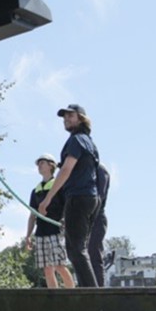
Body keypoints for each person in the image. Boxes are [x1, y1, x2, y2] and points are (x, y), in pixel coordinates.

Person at [39, 104, 100, 287]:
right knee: (77, 248)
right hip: (91, 198)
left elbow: (66, 170)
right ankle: (90, 291)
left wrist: (47, 199)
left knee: (75, 249)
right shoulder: (89, 142)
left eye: (70, 115)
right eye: (64, 116)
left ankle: (92, 295)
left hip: (79, 197)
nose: (66, 119)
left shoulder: (76, 140)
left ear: (81, 118)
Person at [25, 154, 74, 288]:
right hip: (40, 232)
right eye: (38, 163)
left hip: (56, 230)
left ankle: (72, 295)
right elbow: (32, 215)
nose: (39, 166)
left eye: (42, 163)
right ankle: (56, 298)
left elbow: (67, 206)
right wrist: (28, 235)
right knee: (47, 268)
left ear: (51, 165)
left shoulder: (59, 186)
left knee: (60, 265)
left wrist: (65, 220)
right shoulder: (35, 191)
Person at [87, 162, 111, 287]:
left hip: (96, 217)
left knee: (94, 253)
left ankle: (98, 290)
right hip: (85, 219)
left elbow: (99, 196)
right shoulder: (85, 171)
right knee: (83, 256)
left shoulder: (100, 170)